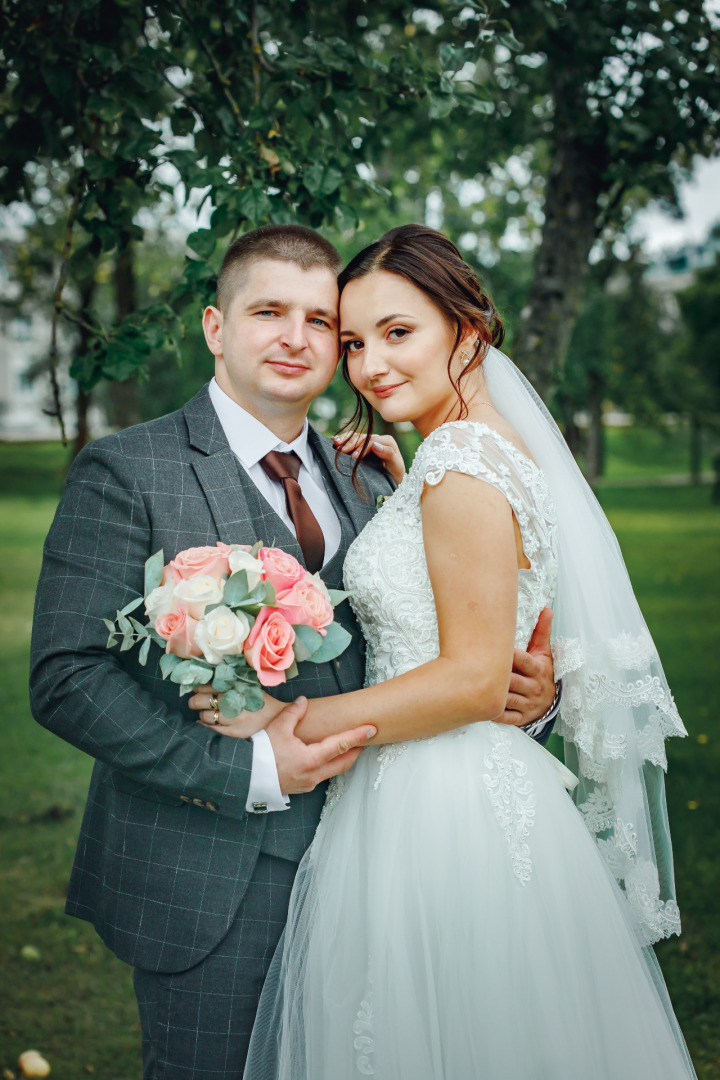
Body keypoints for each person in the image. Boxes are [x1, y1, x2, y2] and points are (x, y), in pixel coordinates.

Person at [29, 224, 558, 1078]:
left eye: (323, 322)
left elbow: (444, 645)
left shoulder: (375, 475)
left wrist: (528, 697)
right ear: (214, 326)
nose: (296, 338)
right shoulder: (127, 470)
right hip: (208, 876)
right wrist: (245, 771)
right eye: (268, 310)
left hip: (388, 862)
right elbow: (65, 676)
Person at [191, 224, 696, 1079]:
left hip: (438, 804)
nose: (369, 365)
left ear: (467, 329)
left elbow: (469, 680)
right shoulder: (468, 452)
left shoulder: (461, 461)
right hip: (450, 789)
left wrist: (289, 718)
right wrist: (395, 482)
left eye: (398, 332)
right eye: (354, 342)